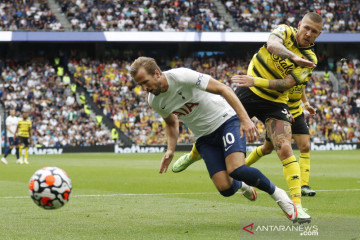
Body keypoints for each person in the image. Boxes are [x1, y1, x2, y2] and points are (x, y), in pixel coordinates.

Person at [172, 12, 323, 224]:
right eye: (306, 27)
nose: (308, 33)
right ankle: (193, 155)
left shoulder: (311, 59)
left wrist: (255, 81)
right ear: (299, 25)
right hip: (246, 93)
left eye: (314, 32)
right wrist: (292, 56)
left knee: (286, 148)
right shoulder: (285, 30)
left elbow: (287, 84)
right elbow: (272, 45)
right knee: (215, 127)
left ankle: (296, 205)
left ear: (319, 35)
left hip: (274, 100)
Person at [130, 56, 297, 223]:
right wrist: (170, 150)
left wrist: (245, 119)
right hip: (203, 137)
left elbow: (223, 89)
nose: (144, 88)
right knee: (225, 189)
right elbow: (171, 122)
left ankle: (278, 194)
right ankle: (242, 185)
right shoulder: (154, 100)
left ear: (157, 73)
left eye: (145, 82)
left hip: (226, 121)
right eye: (140, 85)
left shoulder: (181, 76)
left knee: (236, 169)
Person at [245, 89, 317, 197]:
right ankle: (241, 168)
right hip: (279, 114)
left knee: (305, 146)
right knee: (267, 149)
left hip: (297, 114)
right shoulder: (282, 75)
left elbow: (301, 87)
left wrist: (306, 104)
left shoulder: (303, 73)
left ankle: (304, 185)